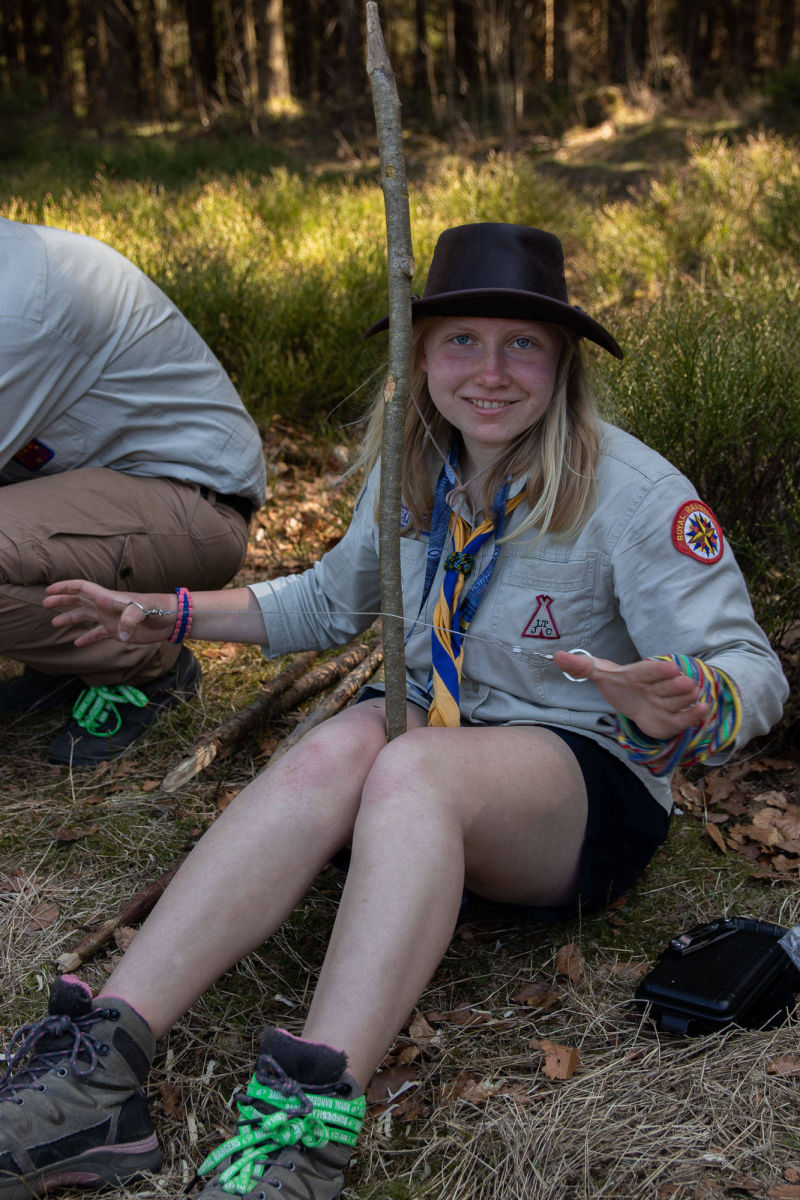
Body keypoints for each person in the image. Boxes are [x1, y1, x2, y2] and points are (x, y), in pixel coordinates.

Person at [0, 223, 788, 1200]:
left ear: (562, 363)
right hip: (424, 748)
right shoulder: (414, 470)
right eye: (460, 341)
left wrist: (686, 696)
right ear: (419, 358)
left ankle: (306, 1126)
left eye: (522, 344)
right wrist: (170, 612)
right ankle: (97, 1069)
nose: (489, 372)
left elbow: (752, 670)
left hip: (573, 786)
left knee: (408, 764)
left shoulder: (630, 493)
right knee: (331, 749)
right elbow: (329, 604)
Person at [0, 217, 267, 765]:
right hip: (99, 496)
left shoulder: (20, 311)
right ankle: (62, 663)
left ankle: (147, 665)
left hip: (192, 507)